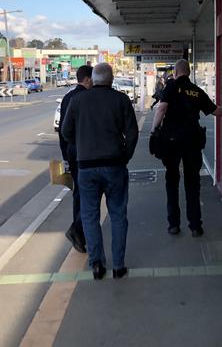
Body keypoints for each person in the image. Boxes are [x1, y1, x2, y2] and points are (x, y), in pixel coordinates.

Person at [61, 62, 139, 280]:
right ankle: (119, 266)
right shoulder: (121, 100)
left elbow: (66, 132)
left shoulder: (77, 101)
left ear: (93, 80)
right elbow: (132, 133)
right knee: (118, 215)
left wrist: (83, 143)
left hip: (86, 167)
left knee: (89, 216)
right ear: (111, 80)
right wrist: (125, 156)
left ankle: (96, 265)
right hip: (115, 165)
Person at [151, 59, 222, 237]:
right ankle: (195, 225)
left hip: (171, 141)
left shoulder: (171, 87)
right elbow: (216, 110)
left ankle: (173, 224)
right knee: (192, 183)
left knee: (172, 181)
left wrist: (153, 130)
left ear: (175, 71)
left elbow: (161, 108)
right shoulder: (196, 91)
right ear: (188, 72)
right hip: (192, 142)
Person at [58, 65, 93, 253]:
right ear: (87, 79)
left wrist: (65, 154)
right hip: (86, 152)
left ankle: (78, 232)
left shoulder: (67, 98)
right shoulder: (87, 97)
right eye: (92, 79)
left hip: (72, 152)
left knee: (78, 192)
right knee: (89, 192)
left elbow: (62, 131)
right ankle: (78, 230)